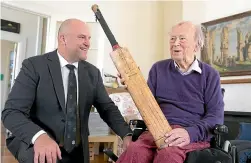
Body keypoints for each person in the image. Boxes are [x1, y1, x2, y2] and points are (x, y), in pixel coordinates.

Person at [1, 18, 133, 163]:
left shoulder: (92, 73)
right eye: (82, 37)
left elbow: (107, 108)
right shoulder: (34, 66)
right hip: (37, 145)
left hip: (76, 151)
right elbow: (11, 113)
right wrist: (39, 136)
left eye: (89, 38)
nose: (88, 43)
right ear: (63, 39)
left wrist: (126, 134)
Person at [116, 21, 224, 163]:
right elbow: (147, 106)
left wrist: (189, 133)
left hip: (189, 134)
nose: (175, 43)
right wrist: (132, 86)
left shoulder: (210, 75)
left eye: (182, 38)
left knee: (168, 155)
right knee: (135, 151)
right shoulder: (158, 69)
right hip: (156, 131)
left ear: (197, 45)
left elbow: (215, 118)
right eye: (172, 38)